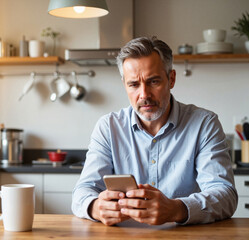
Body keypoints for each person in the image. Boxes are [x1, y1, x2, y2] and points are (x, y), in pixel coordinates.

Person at [72, 36, 237, 226]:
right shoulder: (108, 127)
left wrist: (176, 209)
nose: (144, 95)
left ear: (171, 79)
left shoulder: (204, 124)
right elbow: (82, 191)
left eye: (153, 82)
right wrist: (95, 207)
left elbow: (225, 195)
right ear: (124, 84)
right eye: (134, 84)